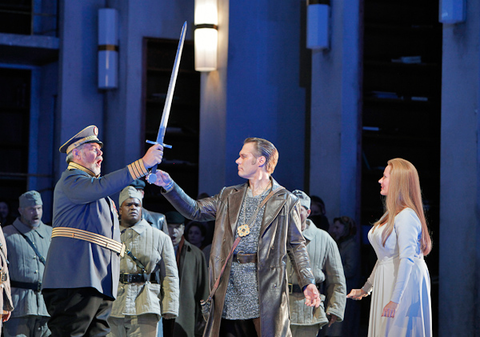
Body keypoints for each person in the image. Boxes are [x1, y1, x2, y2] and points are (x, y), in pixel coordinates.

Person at [152, 137, 320, 337]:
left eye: (243, 156)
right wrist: (169, 186)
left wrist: (308, 282)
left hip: (265, 291)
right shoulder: (228, 196)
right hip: (229, 289)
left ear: (260, 161)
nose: (237, 161)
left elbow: (296, 245)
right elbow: (195, 210)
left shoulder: (286, 201)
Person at [42, 125, 164, 336]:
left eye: (100, 149)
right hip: (74, 280)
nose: (100, 153)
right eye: (93, 147)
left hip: (96, 282)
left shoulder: (95, 192)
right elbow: (104, 186)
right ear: (76, 154)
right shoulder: (71, 180)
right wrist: (142, 164)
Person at [347, 158, 433, 336]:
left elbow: (407, 259)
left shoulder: (407, 216)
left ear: (398, 182)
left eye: (385, 176)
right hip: (388, 280)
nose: (380, 180)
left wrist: (395, 299)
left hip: (402, 286)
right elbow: (384, 257)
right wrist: (366, 288)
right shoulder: (393, 214)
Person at [108, 186, 179, 337]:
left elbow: (170, 275)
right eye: (128, 204)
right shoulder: (109, 236)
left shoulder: (160, 238)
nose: (133, 208)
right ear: (120, 209)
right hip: (114, 306)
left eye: (137, 205)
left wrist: (170, 307)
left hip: (146, 304)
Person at [288, 190, 346, 337]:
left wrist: (335, 308)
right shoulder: (278, 236)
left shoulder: (324, 239)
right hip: (279, 308)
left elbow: (337, 279)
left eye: (298, 209)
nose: (293, 213)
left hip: (308, 311)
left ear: (308, 212)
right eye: (290, 208)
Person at [3, 191, 52, 337]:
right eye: (31, 209)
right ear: (20, 210)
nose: (36, 213)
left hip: (45, 307)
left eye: (39, 208)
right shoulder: (7, 235)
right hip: (17, 307)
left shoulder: (51, 234)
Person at [163, 211, 209, 337]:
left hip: (185, 311)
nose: (173, 232)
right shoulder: (157, 250)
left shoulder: (195, 254)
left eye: (177, 227)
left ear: (183, 229)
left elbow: (203, 287)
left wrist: (204, 315)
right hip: (161, 308)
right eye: (170, 227)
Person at [328, 216, 360, 337]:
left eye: (338, 227)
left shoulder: (351, 245)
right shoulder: (338, 243)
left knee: (343, 327)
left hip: (347, 290)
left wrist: (331, 272)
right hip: (337, 289)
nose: (334, 230)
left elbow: (350, 269)